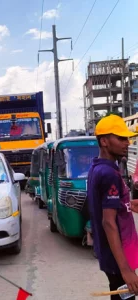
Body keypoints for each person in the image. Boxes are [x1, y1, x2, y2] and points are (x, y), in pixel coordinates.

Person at [87, 114, 138, 299]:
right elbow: (108, 222)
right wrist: (126, 271)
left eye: (127, 138)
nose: (127, 143)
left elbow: (104, 204)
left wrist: (127, 204)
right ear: (105, 141)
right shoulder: (108, 173)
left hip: (112, 256)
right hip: (118, 258)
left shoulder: (97, 167)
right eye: (121, 138)